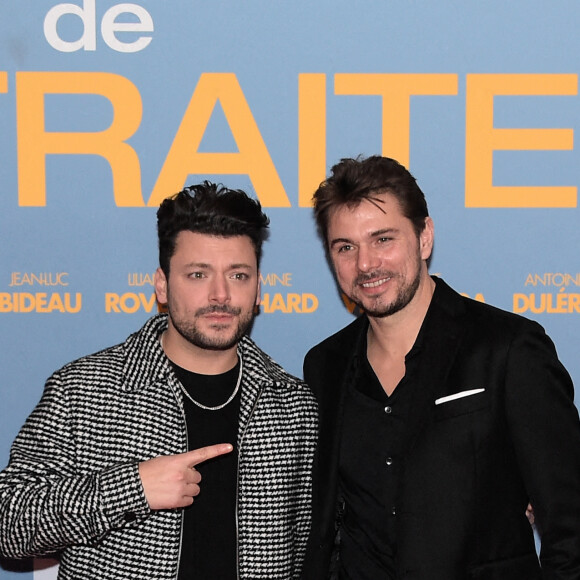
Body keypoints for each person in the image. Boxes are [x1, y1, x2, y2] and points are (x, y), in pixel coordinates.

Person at [0, 182, 318, 580]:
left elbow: (308, 553)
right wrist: (129, 489)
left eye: (238, 275)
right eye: (198, 274)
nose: (220, 295)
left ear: (258, 288)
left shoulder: (292, 405)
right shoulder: (82, 390)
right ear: (162, 285)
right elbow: (8, 524)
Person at [301, 156, 580, 579]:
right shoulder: (325, 366)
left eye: (383, 239)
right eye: (346, 247)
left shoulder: (508, 349)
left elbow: (571, 526)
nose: (365, 264)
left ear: (424, 237)